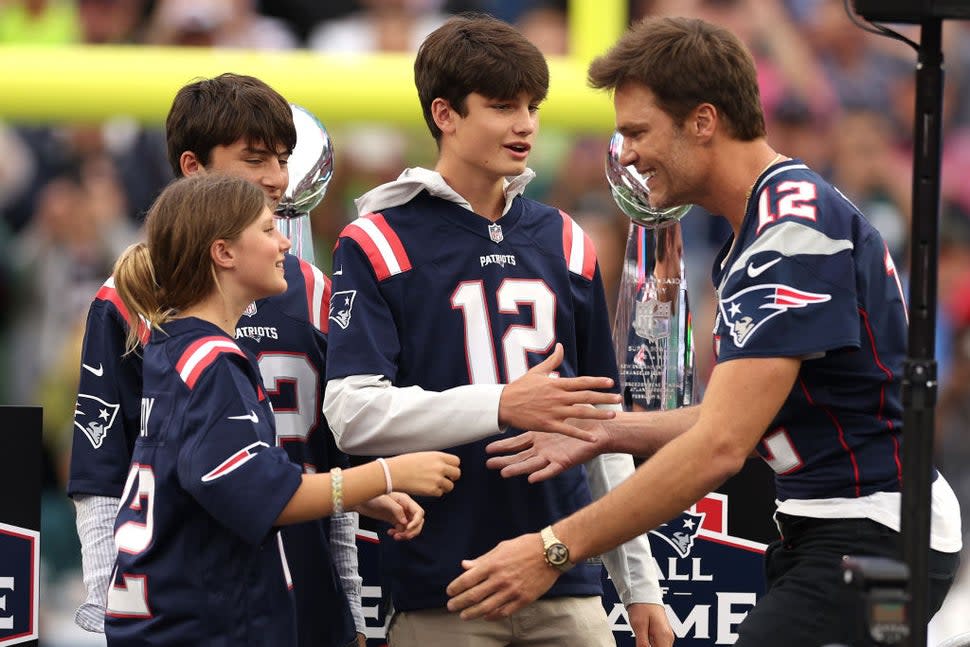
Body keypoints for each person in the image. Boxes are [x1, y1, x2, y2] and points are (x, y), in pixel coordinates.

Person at [445, 16, 964, 647]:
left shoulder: (786, 238)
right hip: (838, 528)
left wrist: (553, 548)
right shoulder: (768, 220)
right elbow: (738, 416)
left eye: (637, 131)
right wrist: (606, 432)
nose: (627, 153)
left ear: (703, 121)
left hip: (873, 535)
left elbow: (722, 444)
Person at [322, 13, 672, 647]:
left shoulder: (566, 238)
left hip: (563, 577)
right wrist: (504, 403)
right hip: (445, 589)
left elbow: (601, 424)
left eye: (533, 106)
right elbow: (350, 413)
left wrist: (639, 582)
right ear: (445, 114)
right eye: (503, 105)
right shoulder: (376, 238)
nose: (526, 124)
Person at [67, 73, 369, 647]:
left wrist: (349, 601)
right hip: (193, 598)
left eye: (282, 159)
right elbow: (106, 472)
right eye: (255, 159)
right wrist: (109, 605)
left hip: (300, 589)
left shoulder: (313, 290)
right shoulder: (126, 298)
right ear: (193, 167)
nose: (277, 179)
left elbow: (330, 457)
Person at [100, 172, 459, 645]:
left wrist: (358, 495)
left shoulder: (176, 349)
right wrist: (387, 475)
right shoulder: (213, 362)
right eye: (268, 230)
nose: (285, 245)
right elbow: (264, 498)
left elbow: (211, 483)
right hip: (205, 626)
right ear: (224, 253)